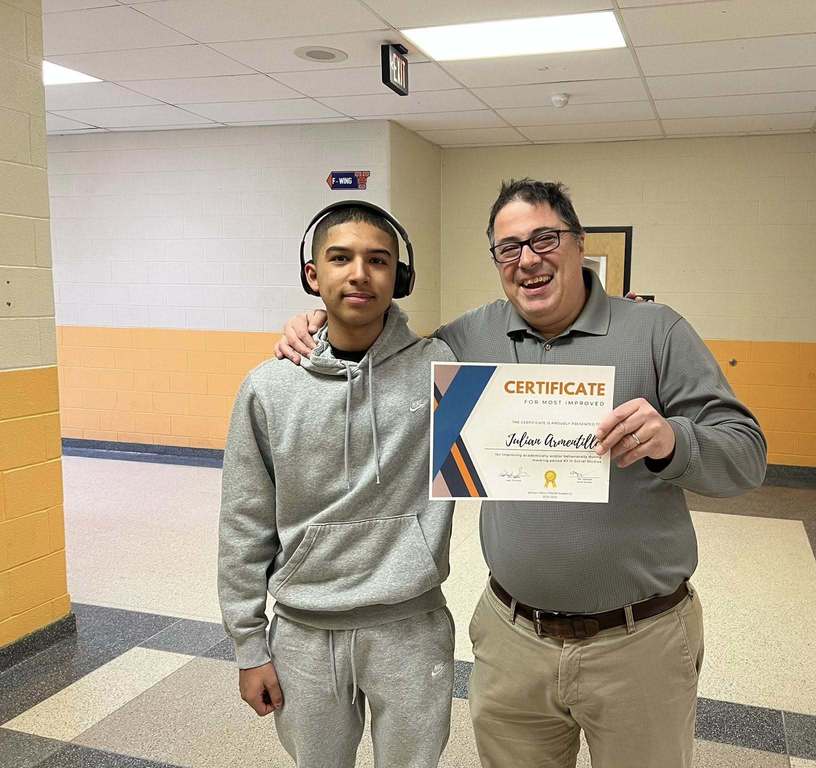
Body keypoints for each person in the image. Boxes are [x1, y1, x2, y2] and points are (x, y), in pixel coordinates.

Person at [274, 180, 768, 767]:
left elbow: (746, 456)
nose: (527, 259)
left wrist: (673, 440)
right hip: (512, 640)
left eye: (544, 240)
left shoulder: (656, 331)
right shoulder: (466, 340)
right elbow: (383, 355)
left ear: (579, 244)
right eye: (508, 248)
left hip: (640, 643)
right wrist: (319, 323)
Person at [219, 201, 457, 768]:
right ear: (312, 274)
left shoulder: (443, 370)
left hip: (410, 625)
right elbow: (243, 523)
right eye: (340, 258)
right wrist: (249, 646)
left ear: (399, 277)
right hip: (304, 631)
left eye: (378, 260)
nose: (359, 274)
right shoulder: (269, 387)